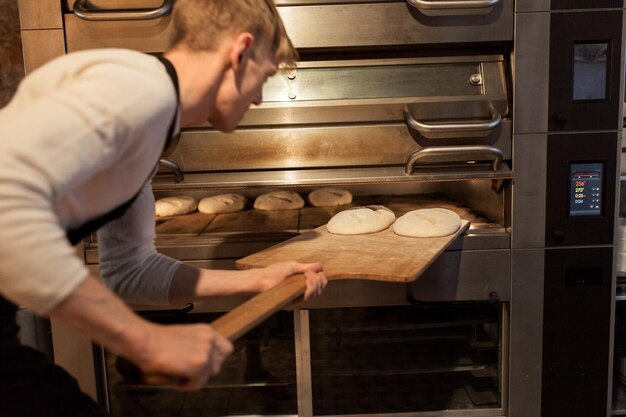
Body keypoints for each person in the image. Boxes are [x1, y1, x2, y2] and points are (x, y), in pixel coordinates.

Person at [0, 0, 327, 416]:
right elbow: (5, 212)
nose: (259, 99)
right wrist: (147, 342)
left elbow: (129, 272)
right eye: (263, 77)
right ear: (240, 52)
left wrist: (259, 280)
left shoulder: (153, 126)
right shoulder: (138, 90)